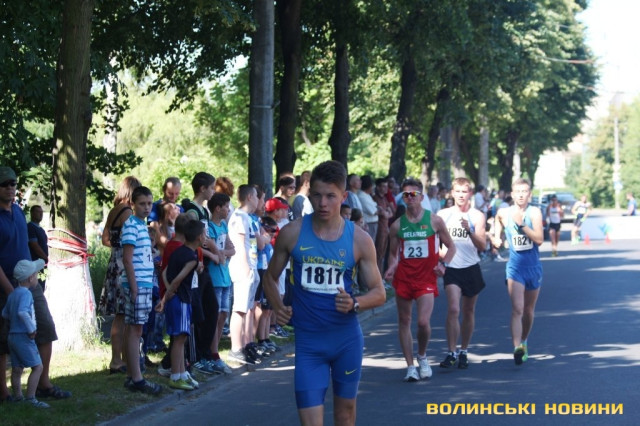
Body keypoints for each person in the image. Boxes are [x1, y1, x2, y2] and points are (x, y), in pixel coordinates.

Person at [263, 160, 386, 426]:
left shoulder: (359, 239)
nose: (323, 203)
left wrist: (355, 303)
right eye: (317, 195)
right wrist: (278, 306)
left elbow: (379, 293)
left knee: (345, 416)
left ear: (344, 196)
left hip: (346, 341)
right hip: (309, 344)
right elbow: (270, 278)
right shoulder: (292, 233)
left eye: (331, 196)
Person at [0, 167, 71, 402]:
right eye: (5, 184)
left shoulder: (18, 212)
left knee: (45, 327)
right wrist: (11, 291)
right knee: (3, 339)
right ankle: (4, 392)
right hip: (5, 284)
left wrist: (33, 274)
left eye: (13, 183)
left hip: (30, 282)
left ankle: (43, 383)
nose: (10, 188)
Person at [384, 178, 456, 382]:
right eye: (406, 194)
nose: (409, 197)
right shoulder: (397, 225)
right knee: (404, 320)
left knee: (423, 322)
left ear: (421, 197)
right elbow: (393, 254)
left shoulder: (434, 221)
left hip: (426, 278)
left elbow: (451, 247)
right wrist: (392, 266)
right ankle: (410, 366)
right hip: (404, 278)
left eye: (413, 194)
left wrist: (444, 265)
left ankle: (422, 356)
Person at [491, 178, 544, 366]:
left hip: (533, 267)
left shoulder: (534, 212)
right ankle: (516, 348)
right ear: (512, 194)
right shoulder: (504, 212)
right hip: (515, 268)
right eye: (518, 192)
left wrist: (522, 225)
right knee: (517, 309)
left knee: (528, 311)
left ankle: (524, 341)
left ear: (529, 194)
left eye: (524, 191)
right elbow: (497, 220)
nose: (521, 195)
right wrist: (496, 237)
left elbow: (539, 239)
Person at [436, 177, 486, 369]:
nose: (461, 195)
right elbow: (435, 242)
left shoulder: (477, 216)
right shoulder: (443, 215)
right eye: (457, 191)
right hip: (452, 268)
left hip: (471, 267)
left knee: (468, 311)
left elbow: (482, 246)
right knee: (454, 309)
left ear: (470, 193)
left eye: (464, 191)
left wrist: (470, 231)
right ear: (452, 193)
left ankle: (464, 350)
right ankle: (451, 352)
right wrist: (440, 257)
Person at [121, 186, 162, 394]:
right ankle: (137, 378)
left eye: (149, 203)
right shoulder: (131, 226)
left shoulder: (142, 226)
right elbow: (127, 259)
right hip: (137, 284)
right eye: (142, 204)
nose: (147, 208)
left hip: (145, 283)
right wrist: (134, 287)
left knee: (135, 329)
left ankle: (132, 374)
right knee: (136, 330)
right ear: (132, 204)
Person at [98, 176, 141, 375]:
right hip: (124, 264)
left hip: (114, 262)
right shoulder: (128, 212)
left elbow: (105, 239)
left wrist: (117, 245)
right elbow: (132, 238)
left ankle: (119, 358)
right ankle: (119, 360)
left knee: (119, 314)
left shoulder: (114, 210)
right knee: (123, 314)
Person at [156, 219, 205, 390]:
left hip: (176, 299)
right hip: (182, 300)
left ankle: (183, 373)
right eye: (204, 234)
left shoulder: (178, 251)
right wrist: (167, 296)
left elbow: (164, 273)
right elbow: (178, 279)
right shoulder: (191, 258)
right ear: (199, 237)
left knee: (181, 338)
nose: (205, 237)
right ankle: (175, 376)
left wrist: (167, 295)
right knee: (179, 339)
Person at [2, 259, 49, 408]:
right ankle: (31, 398)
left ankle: (18, 397)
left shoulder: (13, 294)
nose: (37, 277)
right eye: (36, 275)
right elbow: (23, 312)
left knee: (17, 368)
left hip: (12, 336)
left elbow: (5, 313)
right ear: (30, 278)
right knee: (38, 367)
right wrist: (31, 329)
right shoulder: (26, 294)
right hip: (23, 336)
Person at [227, 184, 262, 365]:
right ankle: (236, 348)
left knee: (247, 309)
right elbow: (239, 245)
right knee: (239, 309)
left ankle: (247, 344)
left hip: (251, 266)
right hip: (243, 267)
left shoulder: (247, 217)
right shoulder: (239, 217)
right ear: (249, 197)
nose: (258, 200)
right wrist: (246, 267)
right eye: (256, 196)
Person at [207, 193, 236, 374]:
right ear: (218, 208)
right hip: (215, 277)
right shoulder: (209, 227)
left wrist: (222, 253)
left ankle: (215, 350)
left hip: (225, 276)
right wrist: (220, 253)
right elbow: (211, 248)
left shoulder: (224, 225)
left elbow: (232, 249)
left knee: (224, 314)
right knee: (215, 315)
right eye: (226, 207)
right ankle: (212, 352)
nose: (228, 210)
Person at [372, 178, 394, 274]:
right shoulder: (374, 198)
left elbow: (390, 213)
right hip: (379, 229)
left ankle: (380, 276)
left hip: (385, 229)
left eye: (386, 186)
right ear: (378, 187)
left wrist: (386, 213)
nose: (386, 189)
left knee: (382, 254)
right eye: (383, 186)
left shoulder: (384, 199)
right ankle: (376, 276)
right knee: (378, 253)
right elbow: (383, 213)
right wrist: (386, 213)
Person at [27, 205, 48, 290]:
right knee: (36, 288)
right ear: (32, 213)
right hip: (35, 264)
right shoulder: (30, 227)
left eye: (41, 212)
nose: (41, 214)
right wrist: (45, 257)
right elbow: (34, 245)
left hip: (43, 264)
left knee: (42, 286)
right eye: (38, 212)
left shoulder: (41, 230)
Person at [358, 175, 379, 242]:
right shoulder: (362, 196)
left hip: (373, 223)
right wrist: (381, 211)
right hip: (369, 224)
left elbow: (376, 206)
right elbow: (373, 211)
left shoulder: (367, 195)